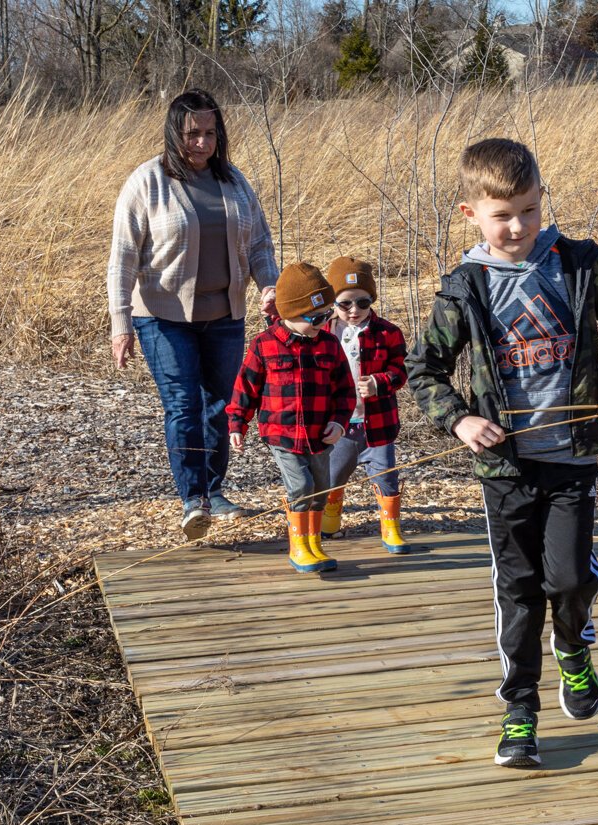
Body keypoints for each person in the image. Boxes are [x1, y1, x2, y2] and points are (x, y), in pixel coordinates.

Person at [406, 138, 598, 769]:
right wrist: (459, 419)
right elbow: (425, 369)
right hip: (505, 469)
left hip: (572, 457)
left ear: (541, 198)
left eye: (527, 208)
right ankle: (519, 713)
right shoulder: (465, 287)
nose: (517, 226)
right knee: (518, 589)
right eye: (501, 215)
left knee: (568, 579)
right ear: (470, 215)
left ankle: (573, 648)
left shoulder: (576, 265)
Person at [107, 89, 280, 542]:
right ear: (174, 134)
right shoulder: (147, 181)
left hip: (225, 313)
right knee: (183, 403)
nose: (201, 143)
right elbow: (123, 257)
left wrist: (270, 286)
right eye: (192, 134)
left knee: (222, 404)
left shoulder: (234, 180)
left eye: (209, 133)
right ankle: (192, 499)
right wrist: (120, 322)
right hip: (162, 315)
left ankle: (215, 490)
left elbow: (260, 242)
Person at [227, 263, 355, 574]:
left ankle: (313, 544)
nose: (323, 323)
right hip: (282, 434)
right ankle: (299, 546)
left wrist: (339, 422)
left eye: (327, 315)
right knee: (301, 486)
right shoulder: (264, 345)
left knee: (321, 487)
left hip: (320, 434)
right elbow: (246, 387)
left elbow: (345, 391)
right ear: (289, 313)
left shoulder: (329, 345)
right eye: (316, 318)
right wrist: (237, 424)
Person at [322, 255, 411, 555]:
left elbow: (401, 370)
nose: (354, 311)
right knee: (334, 476)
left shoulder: (388, 333)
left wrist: (380, 382)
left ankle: (391, 526)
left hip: (378, 422)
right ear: (331, 302)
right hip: (340, 425)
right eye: (344, 303)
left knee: (386, 475)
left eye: (362, 302)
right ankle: (330, 516)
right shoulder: (322, 334)